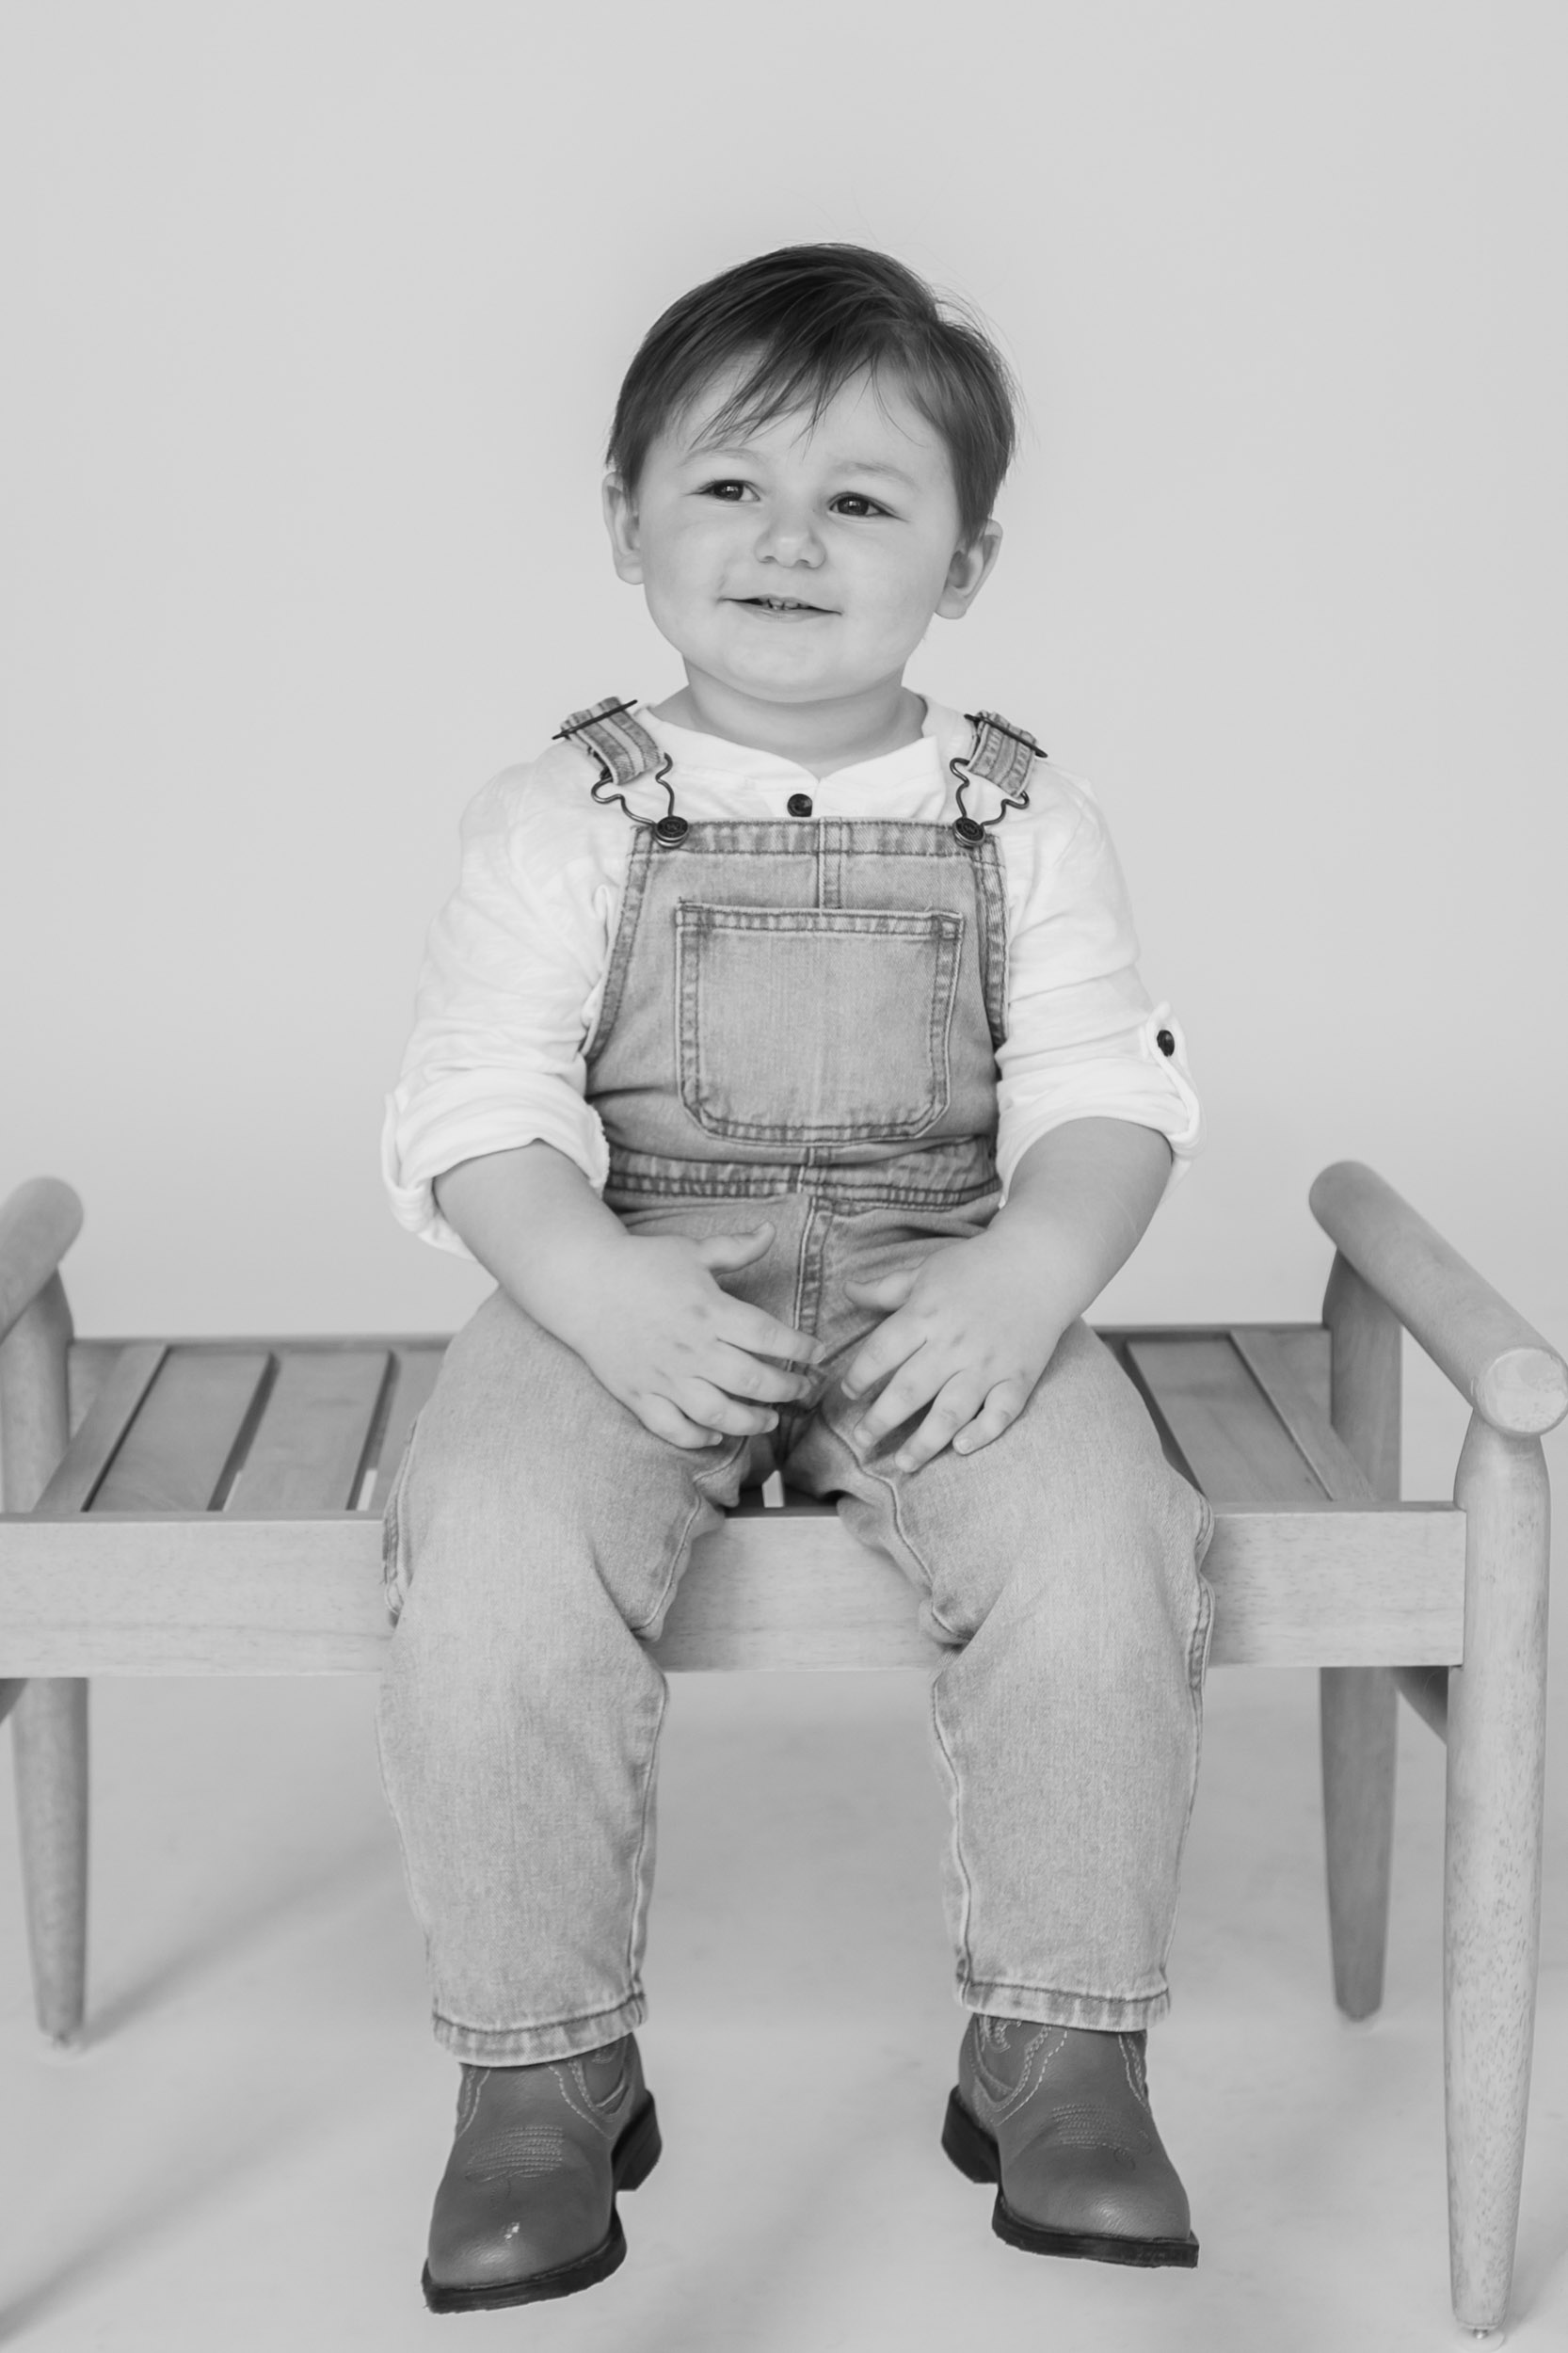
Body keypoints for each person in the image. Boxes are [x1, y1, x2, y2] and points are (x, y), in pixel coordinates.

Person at [378, 243, 1213, 2313]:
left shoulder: (1016, 810)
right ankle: (537, 2068)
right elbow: (476, 1103)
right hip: (634, 1267)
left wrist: (1033, 1270)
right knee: (483, 1538)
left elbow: (1109, 1089)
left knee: (1102, 1537)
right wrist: (588, 1287)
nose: (785, 541)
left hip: (941, 1267)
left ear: (964, 556)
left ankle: (1061, 2039)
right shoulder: (565, 809)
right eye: (729, 486)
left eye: (860, 500)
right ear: (624, 518)